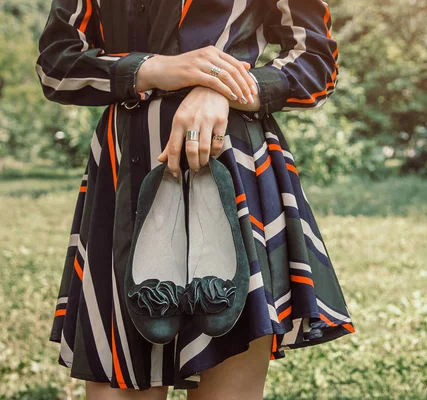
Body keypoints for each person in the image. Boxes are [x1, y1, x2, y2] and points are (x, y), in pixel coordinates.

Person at [36, 0, 355, 398]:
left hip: (232, 168)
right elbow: (56, 65)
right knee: (119, 380)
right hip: (126, 173)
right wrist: (154, 69)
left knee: (226, 370)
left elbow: (316, 63)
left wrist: (226, 88)